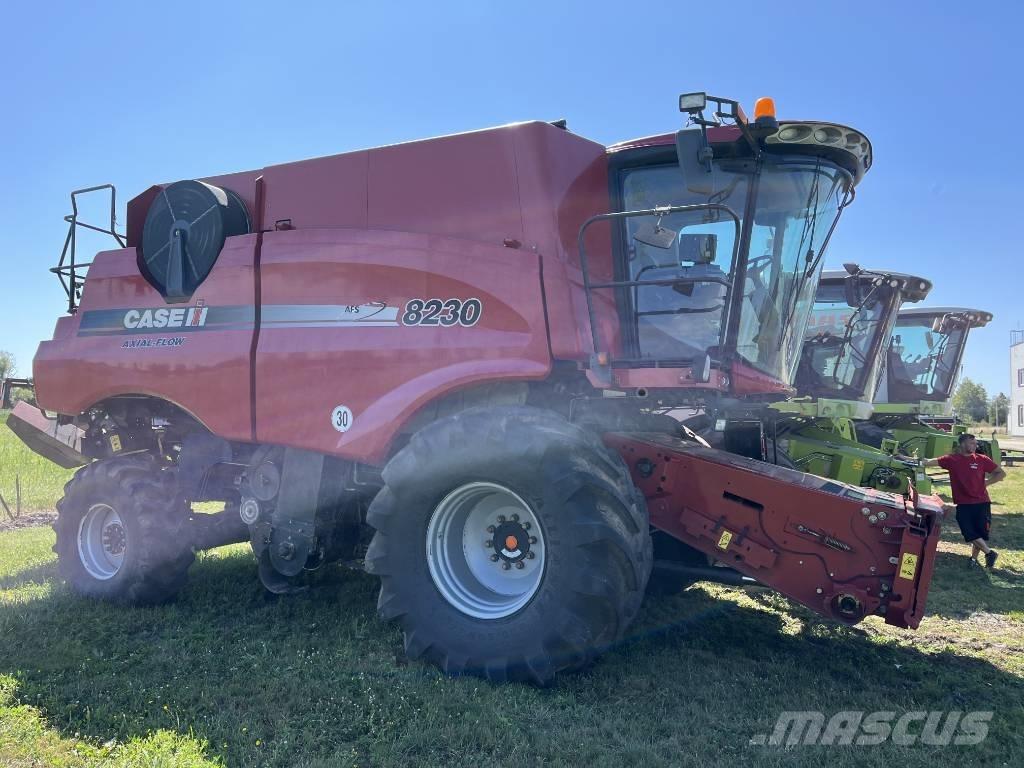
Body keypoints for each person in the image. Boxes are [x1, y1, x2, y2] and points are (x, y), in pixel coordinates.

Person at [921, 433, 1006, 568]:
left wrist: (986, 483)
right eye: (971, 443)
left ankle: (973, 559)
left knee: (978, 533)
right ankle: (989, 553)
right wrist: (905, 458)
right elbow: (927, 461)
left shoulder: (982, 459)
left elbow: (1001, 473)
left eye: (975, 443)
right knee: (968, 532)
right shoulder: (951, 460)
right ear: (962, 444)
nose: (974, 446)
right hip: (963, 503)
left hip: (981, 502)